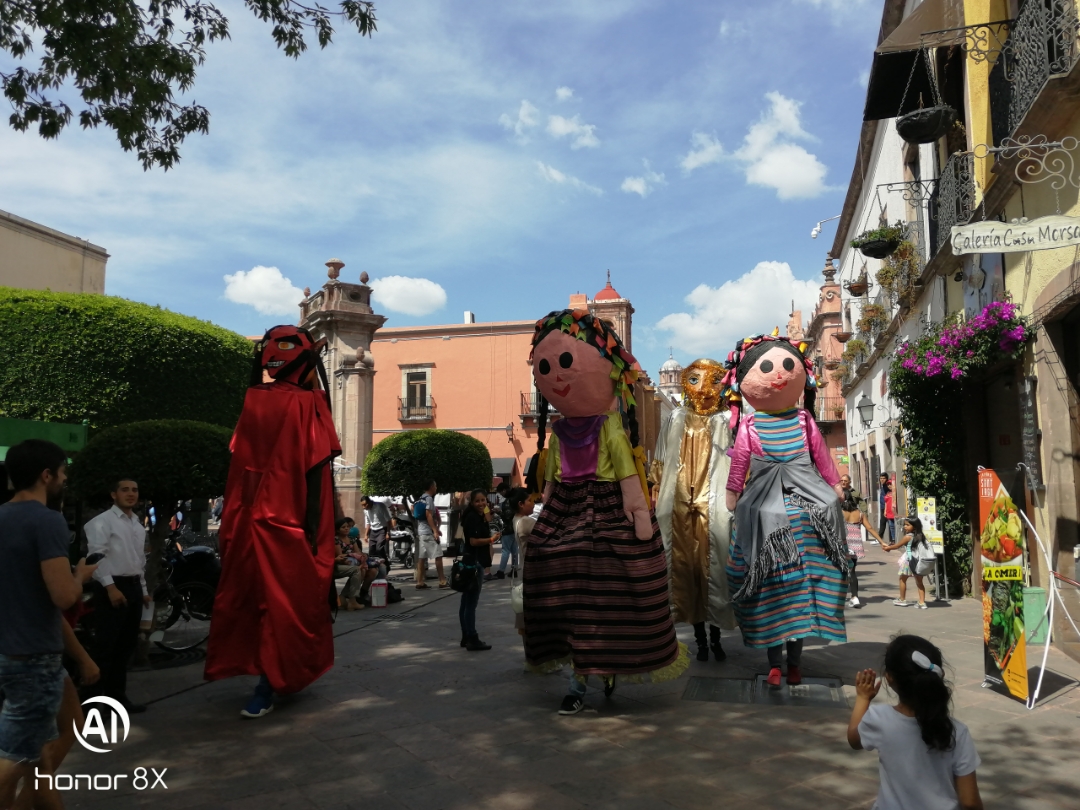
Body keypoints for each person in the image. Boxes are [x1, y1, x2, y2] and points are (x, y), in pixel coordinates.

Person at [525, 309, 687, 716]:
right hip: (566, 509)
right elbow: (552, 478)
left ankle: (595, 670)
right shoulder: (558, 433)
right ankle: (578, 673)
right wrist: (543, 516)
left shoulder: (610, 426)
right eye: (547, 368)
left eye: (566, 363)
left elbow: (627, 472)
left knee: (607, 591)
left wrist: (638, 514)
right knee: (562, 585)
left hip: (607, 507)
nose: (557, 376)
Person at [204, 325, 341, 719]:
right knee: (287, 605)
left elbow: (240, 466)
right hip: (286, 523)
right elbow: (316, 472)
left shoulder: (255, 401)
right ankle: (272, 681)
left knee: (254, 599)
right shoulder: (309, 404)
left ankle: (267, 679)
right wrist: (316, 530)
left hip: (249, 519)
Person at [722, 331, 848, 689]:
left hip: (775, 511)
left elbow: (819, 457)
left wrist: (734, 492)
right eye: (766, 368)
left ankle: (782, 665)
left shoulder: (796, 422)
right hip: (790, 506)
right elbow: (742, 462)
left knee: (778, 592)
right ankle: (788, 665)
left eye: (786, 366)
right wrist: (834, 485)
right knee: (789, 592)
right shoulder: (766, 424)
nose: (778, 374)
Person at [0, 440, 98, 809]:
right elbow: (63, 596)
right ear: (46, 475)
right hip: (34, 657)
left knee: (36, 754)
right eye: (62, 472)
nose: (65, 479)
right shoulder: (47, 521)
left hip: (11, 650)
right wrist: (79, 577)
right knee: (16, 756)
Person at [653, 357, 735, 663]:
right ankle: (701, 641)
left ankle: (716, 639)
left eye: (712, 381)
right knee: (687, 573)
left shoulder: (725, 419)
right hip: (680, 508)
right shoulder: (676, 418)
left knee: (714, 570)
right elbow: (662, 460)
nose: (702, 389)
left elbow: (737, 460)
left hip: (714, 507)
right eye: (695, 380)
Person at [847, 635, 983, 810]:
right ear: (938, 676)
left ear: (889, 678)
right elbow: (970, 802)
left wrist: (863, 698)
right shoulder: (957, 731)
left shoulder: (879, 719)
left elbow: (854, 740)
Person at [82, 478, 149, 714]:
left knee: (125, 647)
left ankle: (116, 699)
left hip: (132, 586)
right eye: (125, 490)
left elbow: (139, 560)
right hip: (112, 585)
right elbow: (96, 557)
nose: (131, 494)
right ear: (113, 494)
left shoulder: (137, 525)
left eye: (135, 490)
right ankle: (91, 703)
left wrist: (143, 591)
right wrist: (110, 587)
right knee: (105, 647)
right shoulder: (101, 522)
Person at [459, 489, 497, 651]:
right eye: (478, 501)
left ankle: (466, 636)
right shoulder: (472, 517)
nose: (481, 503)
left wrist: (485, 510)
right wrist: (491, 539)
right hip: (474, 563)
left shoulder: (476, 515)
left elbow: (488, 519)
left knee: (465, 602)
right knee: (470, 603)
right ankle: (472, 637)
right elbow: (473, 541)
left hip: (471, 561)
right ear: (472, 502)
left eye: (484, 500)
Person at [884, 517, 933, 609]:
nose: (905, 526)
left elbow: (897, 546)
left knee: (902, 579)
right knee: (919, 582)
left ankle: (902, 599)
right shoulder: (921, 536)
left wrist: (888, 548)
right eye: (904, 525)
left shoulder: (908, 537)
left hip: (909, 561)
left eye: (907, 525)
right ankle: (922, 602)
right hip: (919, 562)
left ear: (914, 526)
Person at [842, 497, 883, 608]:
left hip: (843, 544)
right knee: (852, 571)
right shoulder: (859, 514)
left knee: (839, 571)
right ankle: (855, 597)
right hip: (855, 545)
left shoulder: (840, 512)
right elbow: (870, 528)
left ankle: (838, 597)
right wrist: (881, 542)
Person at [413, 480, 448, 589]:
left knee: (422, 557)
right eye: (435, 486)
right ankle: (442, 580)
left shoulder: (420, 498)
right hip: (428, 532)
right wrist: (435, 531)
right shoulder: (429, 499)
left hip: (421, 531)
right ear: (432, 487)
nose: (436, 488)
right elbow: (429, 515)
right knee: (438, 555)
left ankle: (419, 581)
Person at [333, 518, 367, 611]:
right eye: (343, 527)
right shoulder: (336, 539)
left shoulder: (351, 539)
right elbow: (340, 556)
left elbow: (358, 552)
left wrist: (361, 556)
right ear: (337, 530)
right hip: (339, 564)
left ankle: (344, 596)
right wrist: (351, 555)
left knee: (363, 569)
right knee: (358, 570)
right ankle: (352, 600)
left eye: (348, 526)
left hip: (352, 562)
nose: (346, 528)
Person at [495, 483, 518, 580]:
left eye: (500, 492)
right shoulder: (515, 499)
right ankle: (514, 570)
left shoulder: (508, 501)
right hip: (515, 528)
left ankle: (501, 571)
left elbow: (507, 517)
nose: (501, 494)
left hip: (508, 529)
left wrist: (499, 512)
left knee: (505, 550)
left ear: (504, 490)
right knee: (514, 550)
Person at [361, 495, 394, 560]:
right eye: (362, 505)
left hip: (382, 529)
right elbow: (368, 522)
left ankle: (385, 562)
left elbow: (388, 520)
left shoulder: (380, 506)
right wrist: (366, 534)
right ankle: (375, 564)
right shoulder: (366, 510)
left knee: (379, 548)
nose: (363, 507)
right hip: (373, 530)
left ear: (369, 502)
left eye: (365, 505)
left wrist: (388, 532)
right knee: (371, 550)